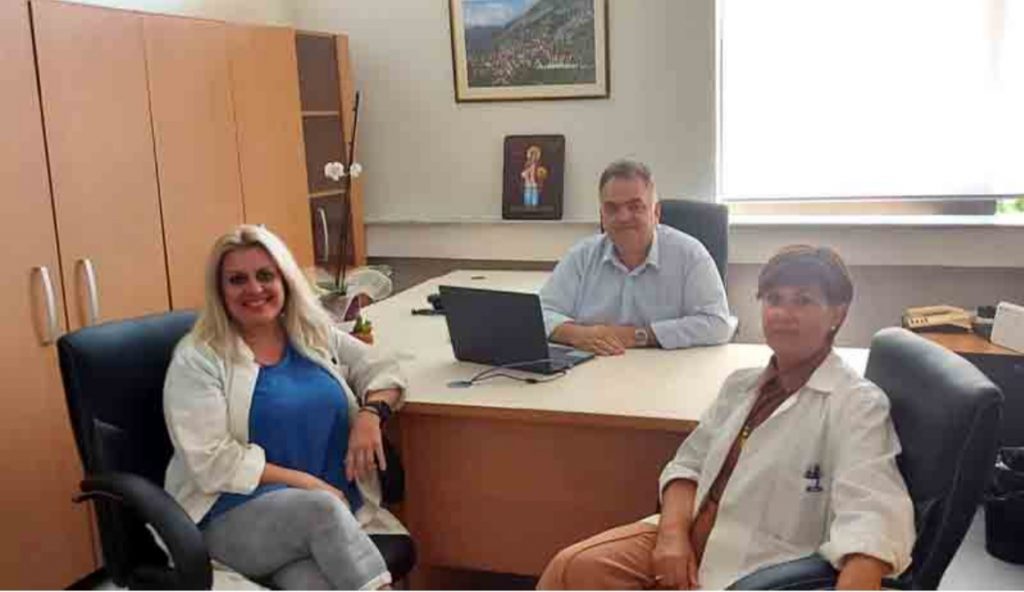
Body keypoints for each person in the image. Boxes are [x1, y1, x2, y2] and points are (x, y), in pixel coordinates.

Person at [538, 245, 915, 590]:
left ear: (838, 314)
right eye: (774, 299)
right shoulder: (742, 385)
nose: (783, 314)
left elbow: (872, 518)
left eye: (803, 301)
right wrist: (672, 538)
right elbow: (687, 466)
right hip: (689, 537)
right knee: (573, 569)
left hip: (760, 568)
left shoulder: (856, 405)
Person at [162, 225, 407, 590]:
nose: (254, 289)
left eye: (265, 275)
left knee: (313, 583)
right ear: (220, 291)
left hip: (318, 524)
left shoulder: (309, 334)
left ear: (285, 280)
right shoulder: (198, 358)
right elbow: (213, 459)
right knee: (321, 512)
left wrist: (371, 415)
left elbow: (383, 367)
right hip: (232, 517)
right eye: (237, 280)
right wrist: (307, 484)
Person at [540, 159, 733, 355]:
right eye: (612, 208)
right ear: (602, 216)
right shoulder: (582, 256)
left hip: (667, 369)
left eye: (635, 207)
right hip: (594, 366)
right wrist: (578, 335)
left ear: (656, 213)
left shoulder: (690, 255)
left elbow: (718, 324)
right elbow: (541, 314)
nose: (623, 217)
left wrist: (640, 335)